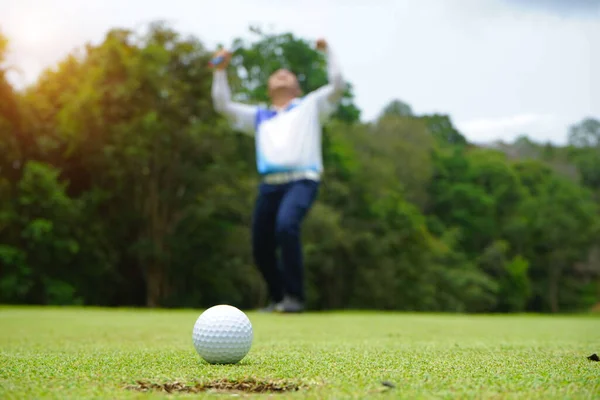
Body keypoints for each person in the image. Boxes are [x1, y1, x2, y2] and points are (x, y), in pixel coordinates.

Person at [210, 38, 345, 313]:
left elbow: (338, 84)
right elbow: (223, 105)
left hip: (302, 181)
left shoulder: (309, 106)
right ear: (269, 88)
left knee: (286, 226)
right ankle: (278, 298)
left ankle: (295, 298)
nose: (282, 75)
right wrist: (220, 71)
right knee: (260, 245)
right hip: (270, 186)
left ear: (296, 87)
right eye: (276, 75)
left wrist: (328, 50)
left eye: (288, 74)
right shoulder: (260, 116)